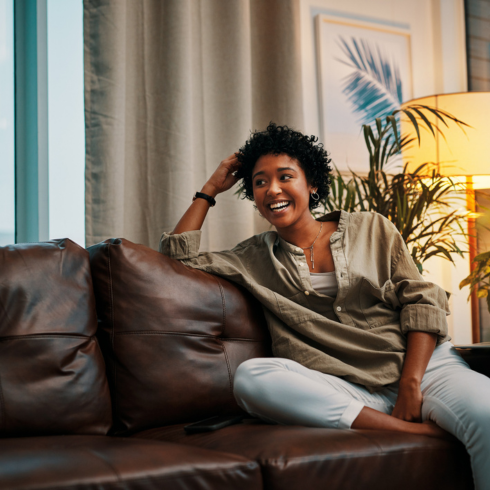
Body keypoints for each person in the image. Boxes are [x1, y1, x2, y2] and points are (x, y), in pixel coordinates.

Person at [159, 122, 490, 489]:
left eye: (285, 176)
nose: (273, 190)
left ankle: (418, 415)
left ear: (312, 183)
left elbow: (422, 299)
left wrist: (411, 383)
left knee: (487, 414)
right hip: (347, 387)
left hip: (426, 371)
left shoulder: (372, 228)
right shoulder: (252, 257)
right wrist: (209, 189)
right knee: (253, 377)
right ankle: (412, 432)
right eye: (259, 182)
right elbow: (176, 259)